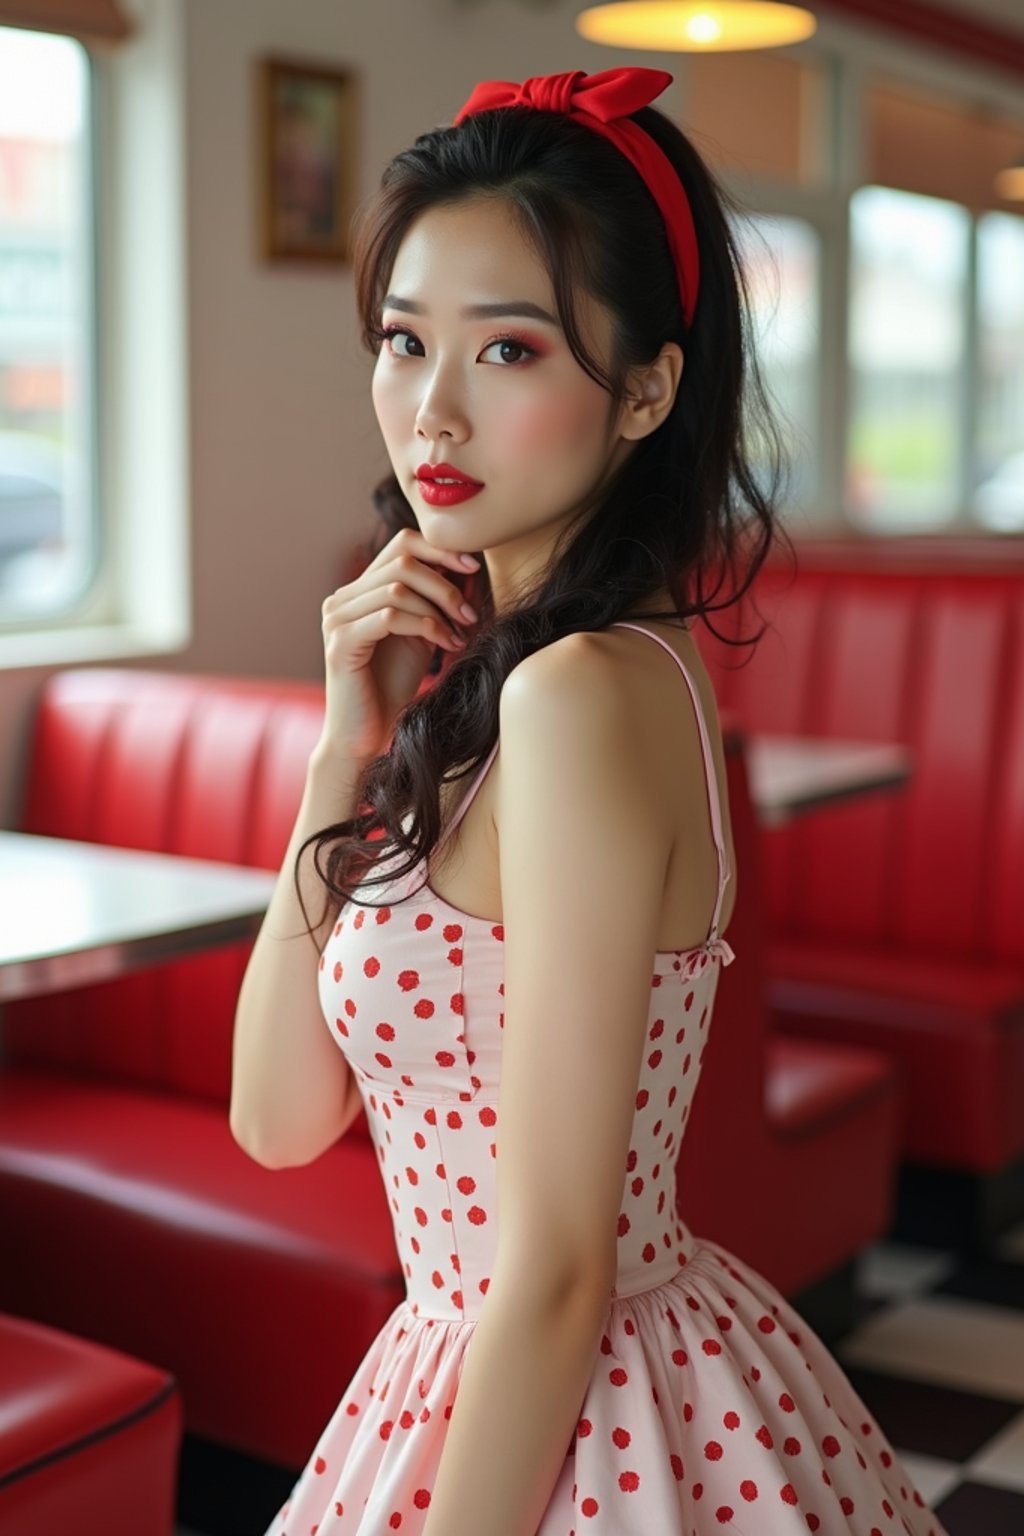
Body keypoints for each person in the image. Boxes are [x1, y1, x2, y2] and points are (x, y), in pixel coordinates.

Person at [231, 66, 949, 1536]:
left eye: (506, 351)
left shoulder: (579, 699)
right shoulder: (506, 685)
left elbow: (555, 1270)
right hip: (480, 1372)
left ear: (645, 388)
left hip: (571, 1407)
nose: (429, 409)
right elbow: (280, 1118)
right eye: (402, 340)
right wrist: (342, 743)